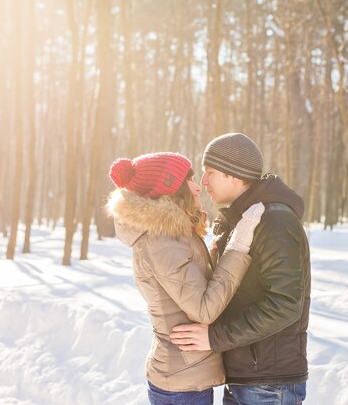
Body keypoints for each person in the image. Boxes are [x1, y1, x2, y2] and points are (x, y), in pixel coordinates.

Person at [106, 151, 265, 405]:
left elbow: (187, 290)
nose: (197, 186)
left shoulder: (170, 235)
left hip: (185, 374)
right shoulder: (162, 241)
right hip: (182, 383)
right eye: (188, 180)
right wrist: (237, 249)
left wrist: (212, 260)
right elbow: (203, 309)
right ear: (171, 191)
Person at [170, 133, 311, 405]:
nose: (203, 181)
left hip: (269, 381)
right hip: (246, 374)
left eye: (209, 172)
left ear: (233, 175)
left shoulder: (274, 221)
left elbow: (285, 303)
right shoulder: (243, 219)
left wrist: (215, 337)